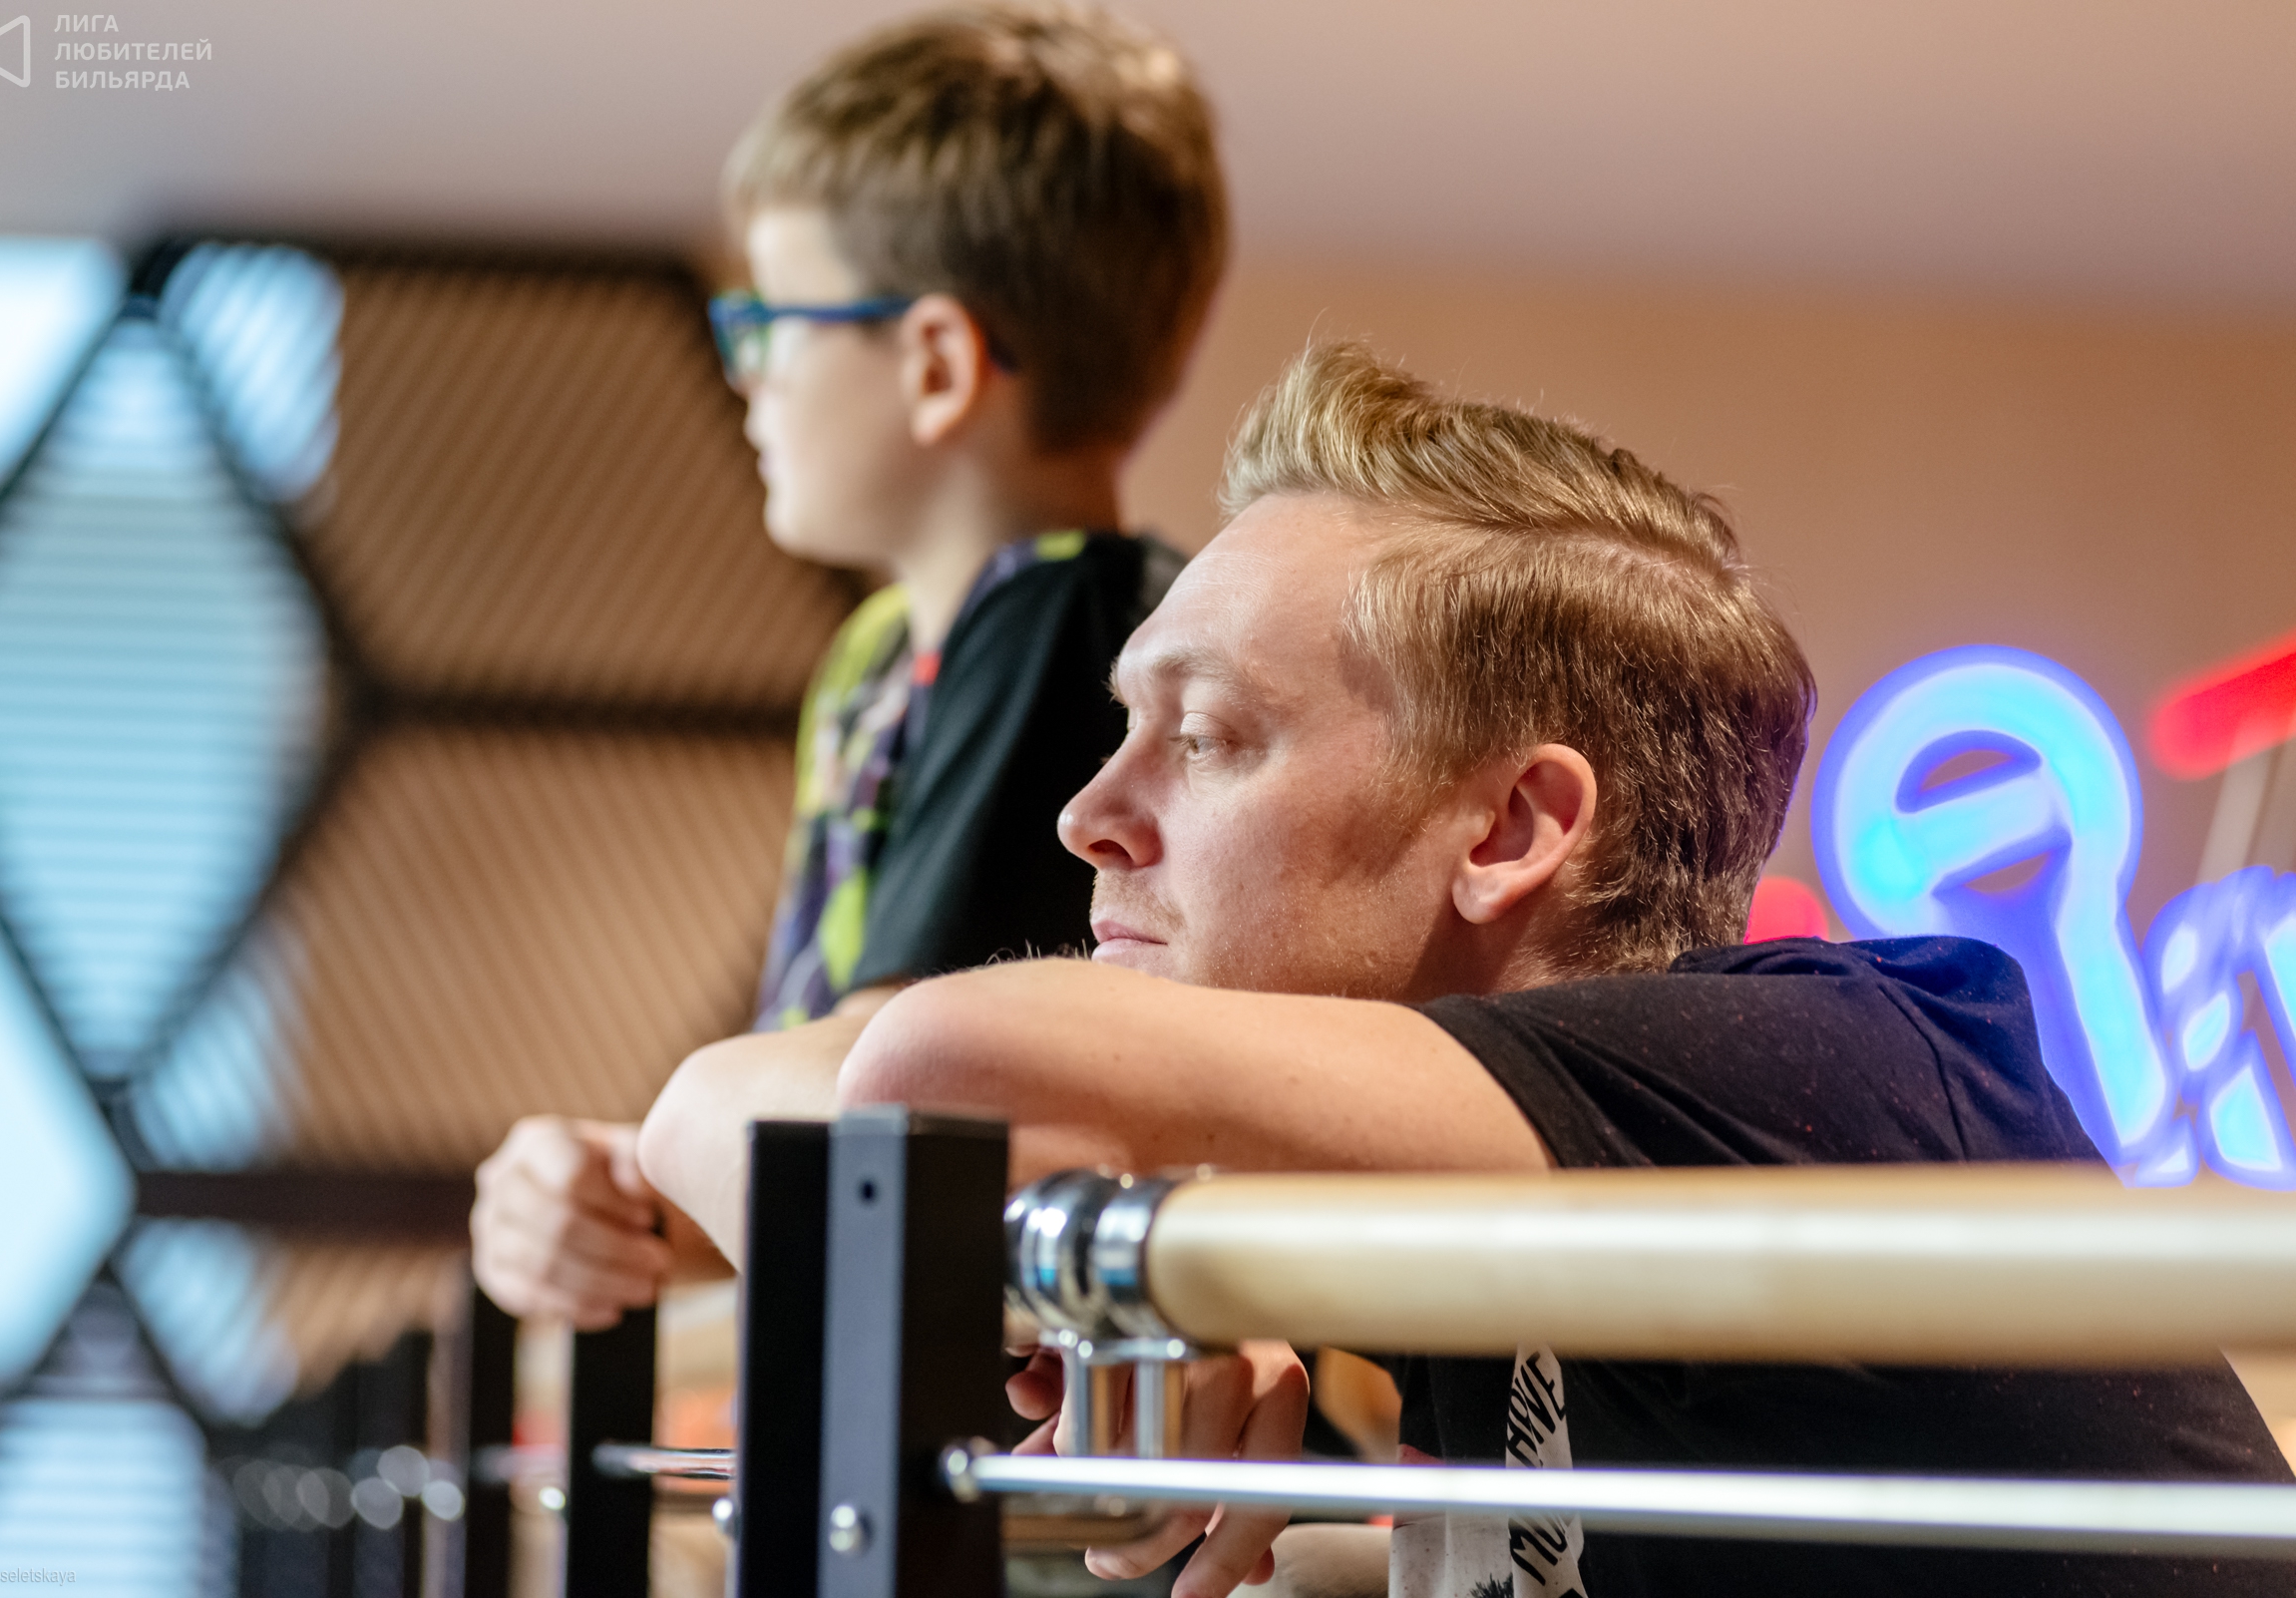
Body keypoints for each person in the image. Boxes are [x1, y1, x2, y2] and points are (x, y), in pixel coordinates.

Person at [635, 342, 2292, 1598]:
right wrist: (1161, 1284)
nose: (1089, 814)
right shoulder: (1467, 1183)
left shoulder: (1841, 1068)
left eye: (1204, 736)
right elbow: (712, 1107)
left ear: (1509, 827)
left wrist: (1139, 1273)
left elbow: (922, 1064)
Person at [470, 0, 1225, 1328]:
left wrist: (658, 1156)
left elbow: (877, 1105)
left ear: (934, 362)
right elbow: (810, 1151)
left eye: (771, 318)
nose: (749, 375)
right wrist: (611, 1191)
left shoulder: (1060, 618)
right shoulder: (880, 653)